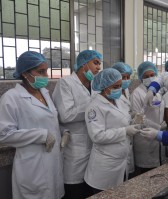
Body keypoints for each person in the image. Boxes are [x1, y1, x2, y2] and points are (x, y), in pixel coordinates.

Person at [0, 51, 64, 199]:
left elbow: (50, 121)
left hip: (53, 164)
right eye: (41, 72)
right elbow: (4, 135)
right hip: (32, 167)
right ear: (25, 73)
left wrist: (63, 131)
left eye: (46, 71)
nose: (46, 75)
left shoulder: (45, 93)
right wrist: (41, 135)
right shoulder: (11, 98)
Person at [52, 50, 102, 199]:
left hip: (93, 146)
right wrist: (93, 109)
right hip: (75, 148)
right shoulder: (65, 83)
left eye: (99, 64)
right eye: (96, 63)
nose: (99, 67)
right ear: (83, 64)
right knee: (74, 189)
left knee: (89, 189)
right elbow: (65, 114)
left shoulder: (95, 85)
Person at [84, 68, 141, 193]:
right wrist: (125, 131)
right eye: (116, 86)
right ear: (105, 86)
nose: (119, 89)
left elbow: (121, 120)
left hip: (120, 162)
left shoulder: (118, 100)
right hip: (105, 166)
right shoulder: (94, 107)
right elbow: (97, 136)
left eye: (120, 86)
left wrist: (134, 119)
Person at [130, 61, 166, 175]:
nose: (150, 78)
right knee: (146, 174)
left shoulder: (158, 92)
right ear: (141, 78)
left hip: (159, 137)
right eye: (146, 76)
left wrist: (162, 124)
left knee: (159, 172)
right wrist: (157, 127)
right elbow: (138, 118)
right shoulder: (137, 93)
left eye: (152, 75)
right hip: (144, 138)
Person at [112, 62, 135, 178]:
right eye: (123, 77)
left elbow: (126, 111)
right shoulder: (111, 95)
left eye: (128, 77)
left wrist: (133, 116)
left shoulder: (125, 90)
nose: (126, 80)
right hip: (115, 141)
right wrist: (125, 130)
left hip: (126, 141)